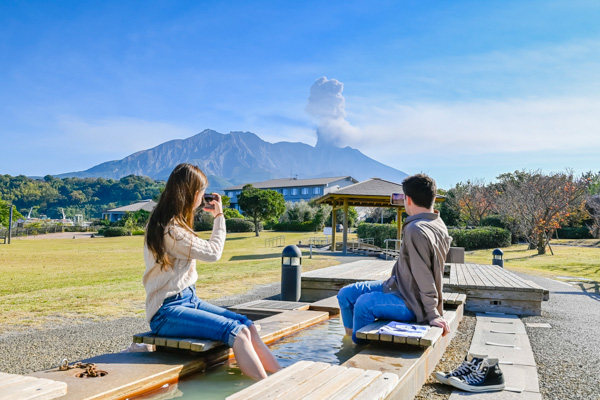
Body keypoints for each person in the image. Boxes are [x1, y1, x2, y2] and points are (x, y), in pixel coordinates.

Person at [143, 163, 280, 380]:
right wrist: (219, 217)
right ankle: (266, 389)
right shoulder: (171, 231)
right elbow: (213, 252)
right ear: (192, 194)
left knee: (248, 325)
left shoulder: (171, 223)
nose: (203, 197)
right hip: (166, 312)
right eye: (201, 192)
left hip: (189, 300)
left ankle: (280, 376)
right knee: (238, 332)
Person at [337, 173, 452, 344]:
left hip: (413, 302)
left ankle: (358, 350)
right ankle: (350, 340)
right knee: (346, 294)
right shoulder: (436, 222)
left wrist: (432, 313)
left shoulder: (416, 229)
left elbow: (424, 275)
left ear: (408, 200)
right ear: (433, 198)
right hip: (398, 286)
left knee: (363, 304)